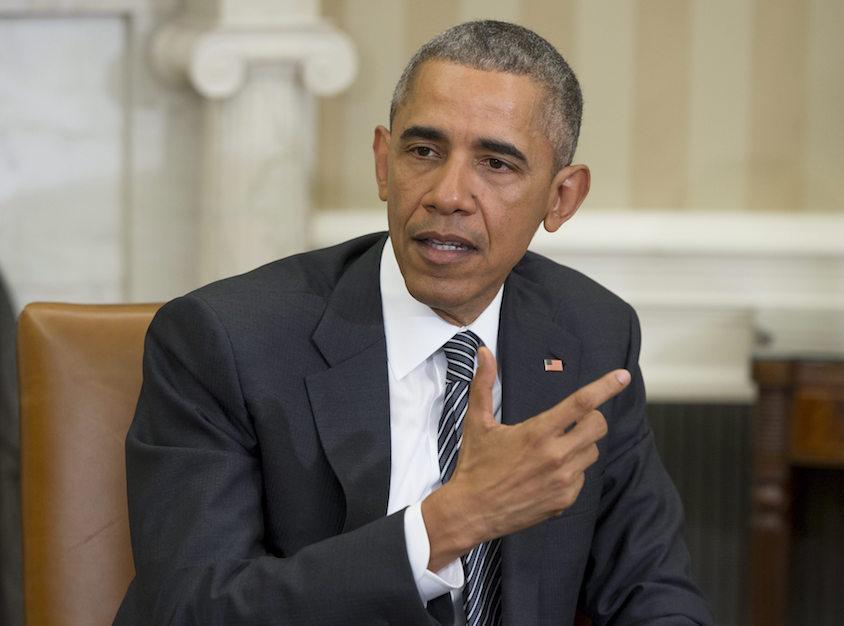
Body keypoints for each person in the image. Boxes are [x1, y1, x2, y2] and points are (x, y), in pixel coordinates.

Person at [116, 20, 712, 626]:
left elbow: (652, 587)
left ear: (561, 198)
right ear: (383, 162)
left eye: (496, 164)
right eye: (423, 152)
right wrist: (451, 523)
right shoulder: (225, 341)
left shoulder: (591, 334)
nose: (448, 194)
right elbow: (192, 610)